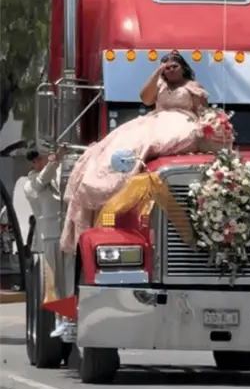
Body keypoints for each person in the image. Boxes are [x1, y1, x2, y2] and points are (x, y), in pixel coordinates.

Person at [60, 52, 214, 256]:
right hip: (156, 119)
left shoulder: (193, 88)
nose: (170, 70)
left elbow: (203, 114)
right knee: (120, 143)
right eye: (167, 67)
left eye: (174, 66)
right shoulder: (159, 85)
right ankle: (105, 182)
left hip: (183, 122)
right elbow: (145, 98)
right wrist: (158, 71)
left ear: (183, 68)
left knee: (151, 142)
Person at [23, 146, 69, 336]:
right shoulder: (32, 183)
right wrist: (55, 159)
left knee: (68, 279)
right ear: (35, 162)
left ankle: (70, 318)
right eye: (42, 158)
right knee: (56, 281)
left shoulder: (55, 175)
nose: (46, 160)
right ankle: (61, 320)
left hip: (67, 232)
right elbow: (43, 180)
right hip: (50, 236)